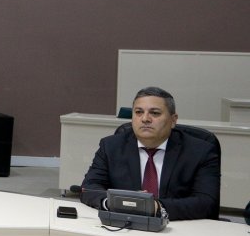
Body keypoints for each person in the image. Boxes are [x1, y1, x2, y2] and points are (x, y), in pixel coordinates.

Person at [80, 86, 220, 220]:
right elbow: (89, 188)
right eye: (138, 112)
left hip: (180, 227)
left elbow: (207, 202)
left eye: (155, 113)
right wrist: (115, 202)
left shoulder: (200, 151)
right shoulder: (111, 146)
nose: (145, 119)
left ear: (173, 120)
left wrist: (156, 207)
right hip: (124, 225)